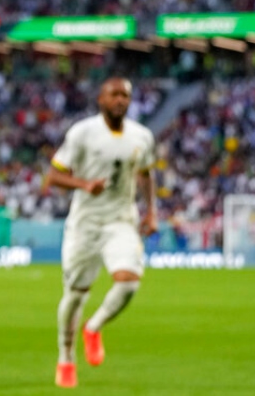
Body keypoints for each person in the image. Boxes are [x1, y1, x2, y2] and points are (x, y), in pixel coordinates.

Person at [46, 77, 158, 388]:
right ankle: (66, 356)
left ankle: (93, 327)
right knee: (76, 294)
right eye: (114, 94)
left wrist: (151, 211)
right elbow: (53, 176)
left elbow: (147, 173)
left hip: (121, 221)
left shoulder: (142, 136)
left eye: (126, 95)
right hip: (85, 224)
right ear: (101, 99)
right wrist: (84, 185)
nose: (121, 99)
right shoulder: (82, 133)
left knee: (129, 283)